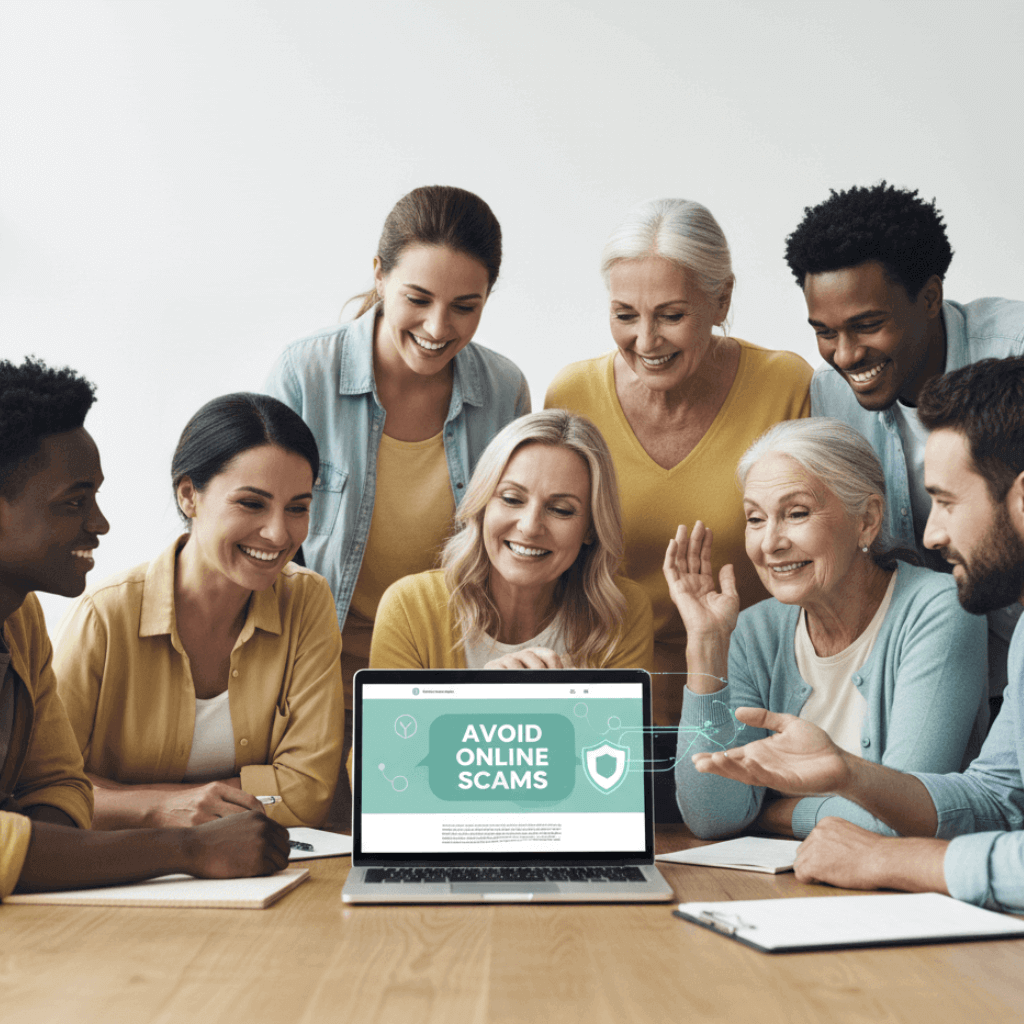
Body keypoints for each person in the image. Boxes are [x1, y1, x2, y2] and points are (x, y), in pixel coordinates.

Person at [688, 357, 1024, 910]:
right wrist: (849, 775)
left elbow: (920, 833)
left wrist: (885, 856)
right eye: (754, 518)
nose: (931, 533)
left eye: (945, 502)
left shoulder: (938, 606)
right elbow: (994, 801)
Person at [265, 185, 530, 824]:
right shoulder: (307, 374)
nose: (439, 328)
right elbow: (260, 535)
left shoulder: (503, 389)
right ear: (380, 276)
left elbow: (515, 545)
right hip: (310, 684)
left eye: (466, 306)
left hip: (440, 681)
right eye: (418, 299)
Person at [544, 198, 811, 816]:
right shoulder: (570, 394)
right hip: (603, 707)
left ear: (721, 301)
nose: (645, 340)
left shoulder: (784, 383)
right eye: (624, 315)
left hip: (745, 702)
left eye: (671, 315)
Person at [0, 358, 286, 897]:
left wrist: (41, 858)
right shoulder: (98, 614)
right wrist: (188, 848)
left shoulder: (19, 617)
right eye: (74, 502)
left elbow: (57, 783)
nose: (100, 523)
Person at [667, 418, 988, 839]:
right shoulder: (753, 632)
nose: (769, 544)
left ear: (867, 520)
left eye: (796, 513)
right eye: (756, 519)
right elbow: (713, 816)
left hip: (911, 893)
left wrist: (769, 813)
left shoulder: (940, 611)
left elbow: (903, 818)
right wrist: (706, 646)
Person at [54, 393, 343, 829]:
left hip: (260, 868)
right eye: (251, 503)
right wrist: (167, 808)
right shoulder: (104, 616)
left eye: (298, 508)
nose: (279, 533)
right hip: (124, 875)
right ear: (189, 495)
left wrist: (122, 799)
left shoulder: (307, 601)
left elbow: (307, 793)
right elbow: (45, 787)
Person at [788, 182, 1024, 706]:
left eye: (867, 325)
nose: (845, 355)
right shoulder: (831, 395)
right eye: (824, 331)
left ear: (931, 297)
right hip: (933, 678)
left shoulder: (1015, 353)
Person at [370, 410, 652, 673]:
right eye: (511, 499)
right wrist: (487, 698)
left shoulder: (620, 614)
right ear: (482, 505)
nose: (529, 527)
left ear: (591, 527)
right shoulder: (409, 608)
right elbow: (390, 728)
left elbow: (619, 728)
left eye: (561, 510)